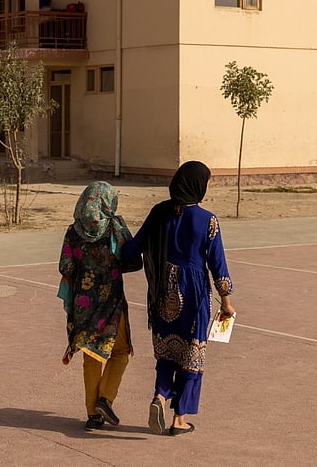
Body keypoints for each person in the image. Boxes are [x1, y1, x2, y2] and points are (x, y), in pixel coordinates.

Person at [122, 161, 236, 436]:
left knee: (166, 351)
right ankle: (179, 419)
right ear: (197, 185)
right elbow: (217, 265)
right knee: (191, 353)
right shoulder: (207, 220)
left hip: (163, 292)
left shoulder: (159, 212)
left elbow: (133, 248)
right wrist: (227, 302)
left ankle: (160, 396)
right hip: (194, 292)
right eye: (208, 182)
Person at [57, 181, 141, 431]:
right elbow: (133, 261)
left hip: (84, 304)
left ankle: (93, 414)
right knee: (120, 352)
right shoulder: (115, 227)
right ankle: (105, 398)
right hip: (112, 302)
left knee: (92, 355)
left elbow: (66, 267)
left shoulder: (73, 232)